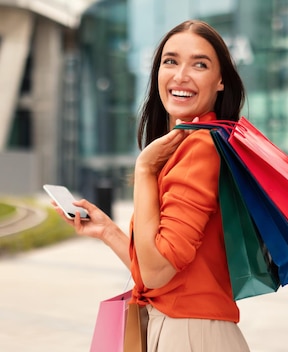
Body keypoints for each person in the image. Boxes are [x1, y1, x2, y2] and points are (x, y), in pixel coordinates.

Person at [54, 20, 249, 351]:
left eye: (199, 64)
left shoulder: (201, 147)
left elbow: (158, 273)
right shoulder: (189, 144)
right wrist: (108, 232)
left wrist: (144, 169)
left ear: (220, 82)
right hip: (182, 329)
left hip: (191, 335)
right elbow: (157, 271)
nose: (180, 75)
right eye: (170, 61)